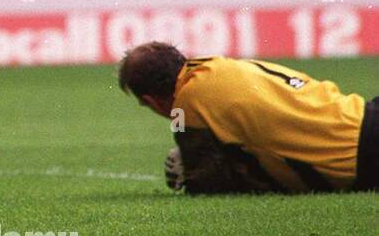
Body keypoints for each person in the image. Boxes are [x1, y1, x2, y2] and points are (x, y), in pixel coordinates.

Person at [117, 42, 378, 195]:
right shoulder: (215, 65)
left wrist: (187, 175)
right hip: (364, 112)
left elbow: (208, 183)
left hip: (362, 158)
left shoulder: (187, 105)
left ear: (152, 101)